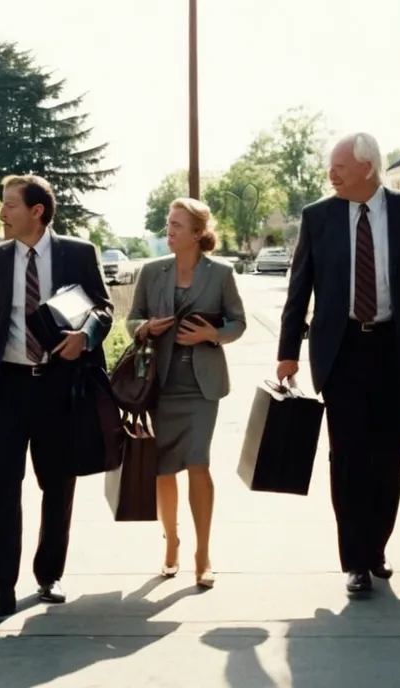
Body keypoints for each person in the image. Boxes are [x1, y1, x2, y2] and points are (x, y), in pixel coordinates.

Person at [276, 132, 400, 595]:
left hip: (396, 350)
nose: (331, 174)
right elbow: (299, 289)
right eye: (330, 167)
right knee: (347, 458)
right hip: (342, 351)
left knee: (388, 458)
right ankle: (354, 561)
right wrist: (287, 352)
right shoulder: (318, 217)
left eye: (339, 166)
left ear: (367, 167)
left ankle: (376, 547)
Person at [0, 174, 113, 616]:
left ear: (37, 212)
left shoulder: (77, 253)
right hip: (6, 386)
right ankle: (0, 584)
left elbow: (103, 308)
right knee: (2, 486)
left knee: (57, 483)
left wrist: (85, 337)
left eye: (10, 205)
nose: (2, 213)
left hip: (60, 385)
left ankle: (49, 573)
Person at [125, 198, 246, 589]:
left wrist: (212, 334)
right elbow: (132, 320)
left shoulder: (221, 274)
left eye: (177, 226)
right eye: (168, 224)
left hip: (201, 387)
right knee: (162, 469)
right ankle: (172, 542)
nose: (169, 232)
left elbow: (238, 322)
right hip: (158, 386)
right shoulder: (152, 271)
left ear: (198, 234)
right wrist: (146, 328)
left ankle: (203, 553)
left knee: (198, 463)